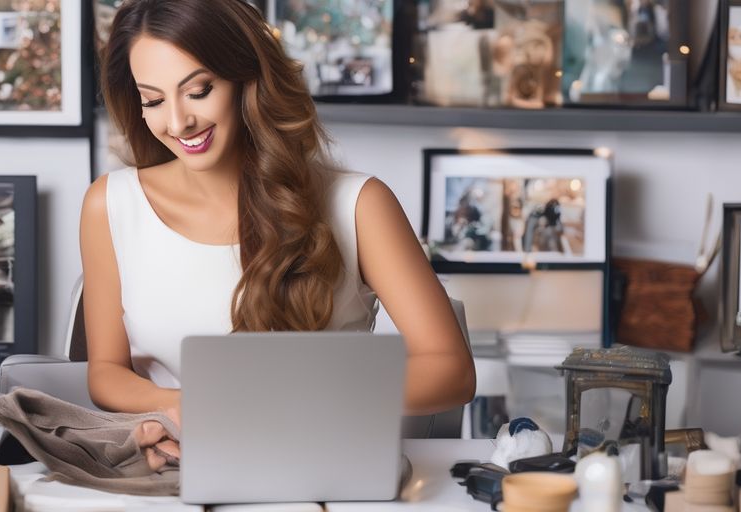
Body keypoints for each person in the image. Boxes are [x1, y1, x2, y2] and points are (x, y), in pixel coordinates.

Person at [79, 0, 475, 470]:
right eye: (154, 100)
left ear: (248, 78)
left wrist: (291, 401)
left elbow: (451, 370)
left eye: (199, 90)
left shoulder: (359, 204)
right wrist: (180, 406)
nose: (178, 121)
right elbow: (105, 371)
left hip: (326, 470)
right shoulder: (111, 204)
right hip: (180, 473)